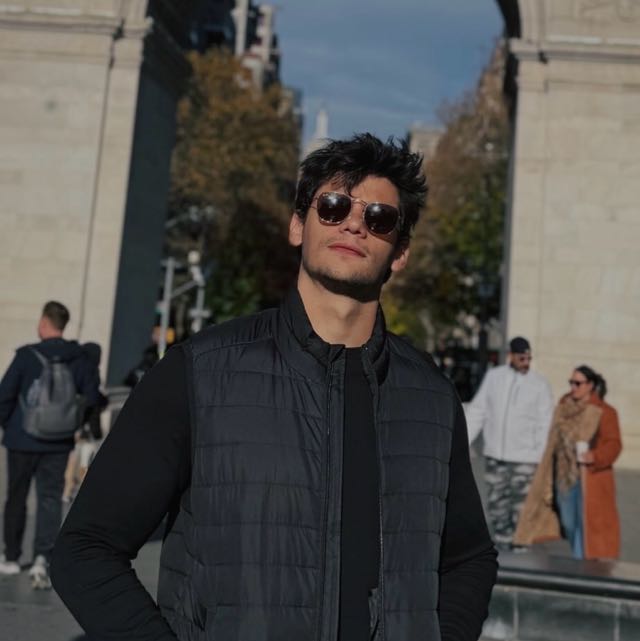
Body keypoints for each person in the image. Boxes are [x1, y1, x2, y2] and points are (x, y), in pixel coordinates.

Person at [51, 134, 497, 641]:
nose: (354, 224)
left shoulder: (431, 397)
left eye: (379, 218)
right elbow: (84, 550)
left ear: (400, 253)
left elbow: (470, 558)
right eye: (333, 206)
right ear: (297, 225)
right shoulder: (198, 372)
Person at [0, 301, 100, 588]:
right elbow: (92, 397)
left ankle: (11, 557)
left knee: (16, 497)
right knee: (50, 498)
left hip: (22, 438)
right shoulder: (79, 358)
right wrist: (72, 424)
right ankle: (42, 557)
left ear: (44, 323)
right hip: (58, 442)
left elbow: (5, 395)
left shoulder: (26, 356)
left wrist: (9, 426)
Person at [514, 366, 622, 560]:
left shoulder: (604, 412)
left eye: (578, 383)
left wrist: (594, 456)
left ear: (590, 385)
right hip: (563, 477)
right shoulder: (563, 407)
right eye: (571, 382)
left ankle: (582, 564)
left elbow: (614, 444)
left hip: (590, 479)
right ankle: (580, 557)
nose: (573, 387)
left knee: (585, 525)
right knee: (568, 523)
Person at [465, 336, 554, 550]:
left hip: (525, 458)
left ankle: (520, 546)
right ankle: (503, 547)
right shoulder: (494, 377)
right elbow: (478, 411)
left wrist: (540, 456)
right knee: (497, 504)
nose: (526, 362)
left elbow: (545, 423)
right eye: (522, 357)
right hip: (496, 455)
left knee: (521, 506)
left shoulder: (539, 384)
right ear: (511, 356)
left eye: (529, 358)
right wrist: (463, 440)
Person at [62, 343, 108, 503]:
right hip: (86, 424)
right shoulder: (91, 371)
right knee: (85, 460)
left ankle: (66, 491)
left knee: (72, 457)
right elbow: (93, 400)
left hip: (70, 422)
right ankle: (82, 494)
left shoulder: (71, 367)